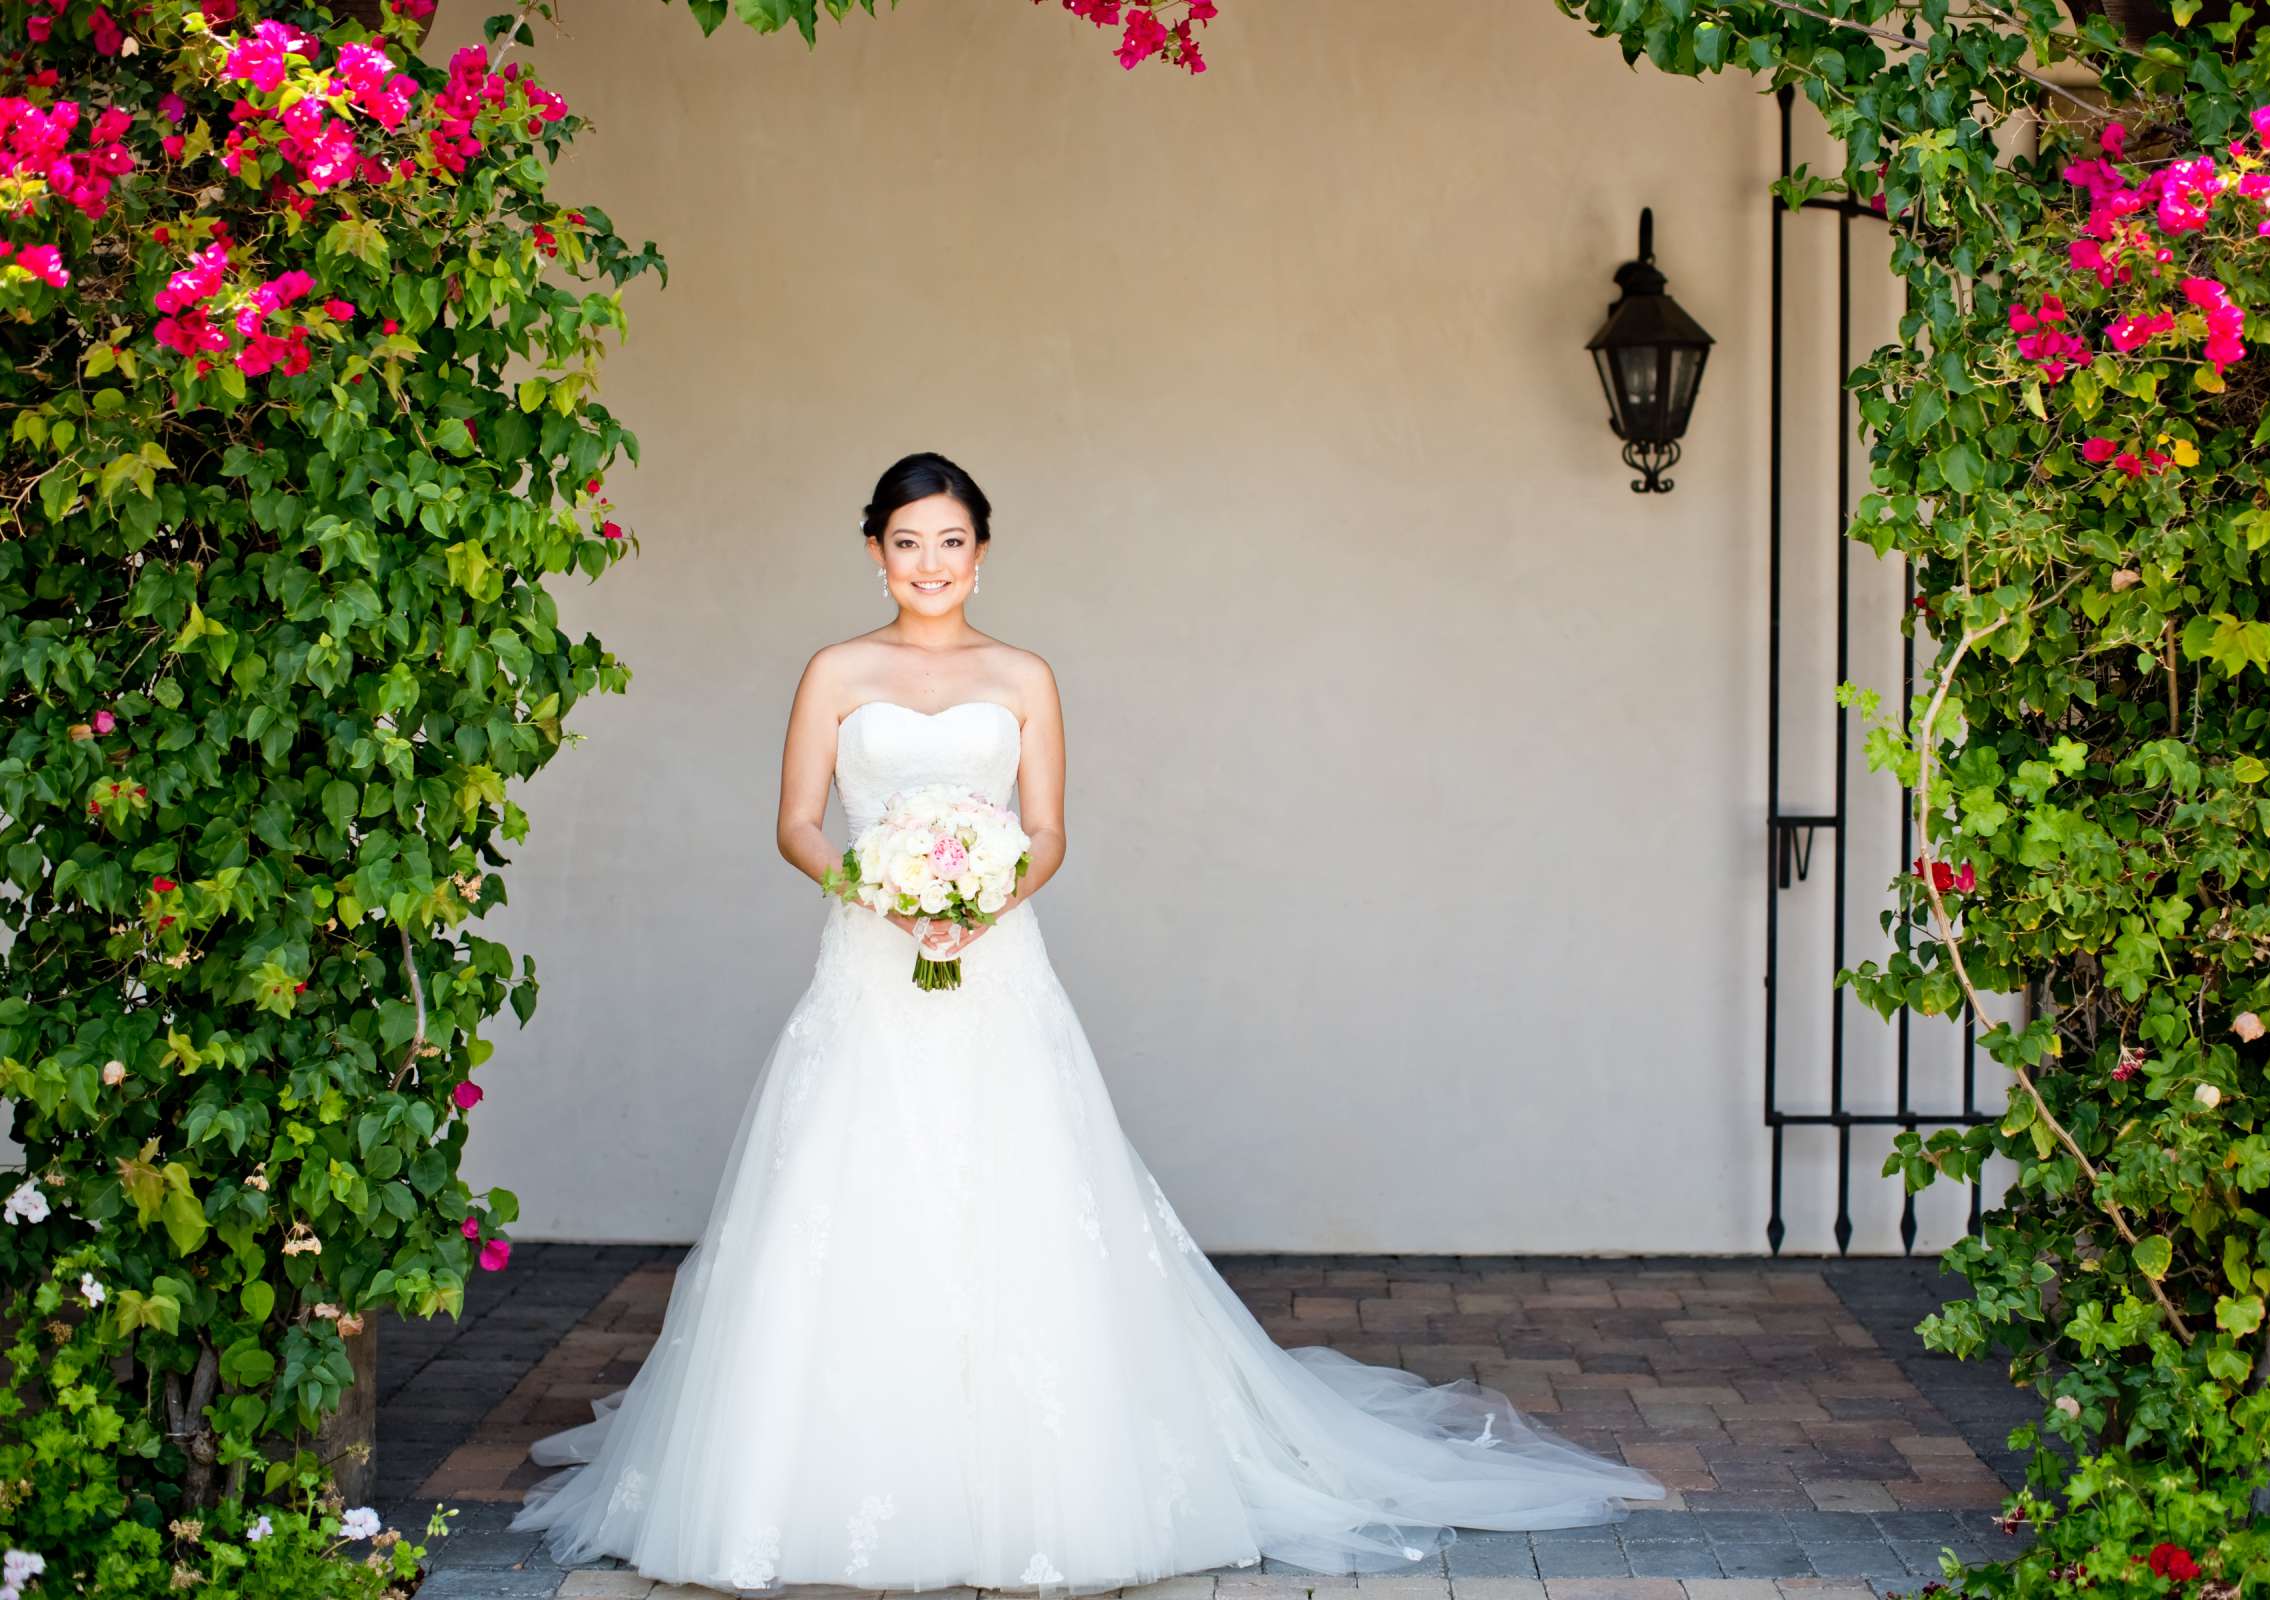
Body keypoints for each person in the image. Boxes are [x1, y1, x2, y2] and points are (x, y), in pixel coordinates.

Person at [506, 451, 1661, 1593]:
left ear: (982, 551)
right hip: (866, 965)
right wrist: (882, 889)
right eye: (907, 542)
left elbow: (1048, 831)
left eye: (951, 541)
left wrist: (979, 899)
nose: (930, 563)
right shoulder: (835, 670)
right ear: (874, 550)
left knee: (1019, 1194)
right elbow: (798, 822)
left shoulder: (1023, 676)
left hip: (997, 964)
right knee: (847, 1190)